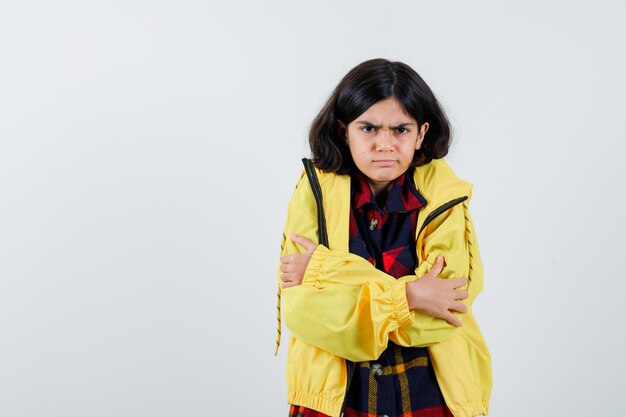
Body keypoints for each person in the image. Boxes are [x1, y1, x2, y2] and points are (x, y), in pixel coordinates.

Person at [276, 58, 492, 417]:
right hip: (335, 399)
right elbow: (305, 311)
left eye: (401, 130)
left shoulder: (445, 195)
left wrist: (327, 271)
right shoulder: (313, 192)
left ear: (421, 133)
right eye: (369, 128)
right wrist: (410, 295)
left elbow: (443, 313)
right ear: (345, 130)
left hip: (432, 392)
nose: (385, 145)